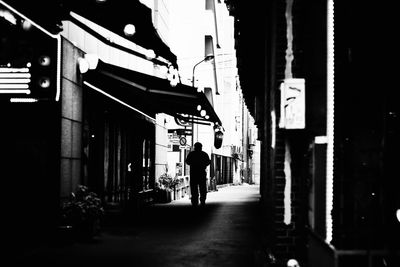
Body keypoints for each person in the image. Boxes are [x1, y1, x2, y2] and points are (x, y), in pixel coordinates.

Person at [185, 142, 210, 207]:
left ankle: (195, 201)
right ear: (201, 147)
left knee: (194, 188)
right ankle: (202, 200)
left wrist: (193, 164)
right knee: (203, 188)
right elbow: (208, 162)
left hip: (193, 173)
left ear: (194, 147)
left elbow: (187, 162)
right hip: (202, 173)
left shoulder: (191, 154)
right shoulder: (204, 154)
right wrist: (203, 164)